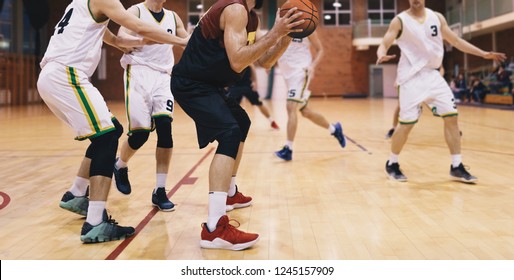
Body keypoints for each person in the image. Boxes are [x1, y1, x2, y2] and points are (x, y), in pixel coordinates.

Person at [37, 0, 187, 243]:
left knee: (112, 130)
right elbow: (136, 24)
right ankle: (95, 222)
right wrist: (181, 41)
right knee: (108, 137)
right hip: (67, 75)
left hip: (59, 75)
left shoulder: (81, 4)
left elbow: (113, 39)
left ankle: (76, 193)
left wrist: (137, 42)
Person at [170, 0, 304, 250]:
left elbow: (263, 62)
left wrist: (284, 38)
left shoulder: (251, 17)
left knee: (240, 122)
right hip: (192, 84)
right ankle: (214, 229)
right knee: (229, 132)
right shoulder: (235, 9)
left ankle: (230, 192)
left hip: (209, 86)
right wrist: (276, 32)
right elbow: (237, 61)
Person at [377, 0, 505, 184]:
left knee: (452, 117)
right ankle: (392, 162)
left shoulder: (437, 17)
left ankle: (456, 166)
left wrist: (483, 54)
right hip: (411, 78)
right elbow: (385, 42)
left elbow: (456, 41)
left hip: (433, 75)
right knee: (406, 125)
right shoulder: (400, 21)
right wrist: (381, 53)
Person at [112, 0, 189, 212]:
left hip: (163, 76)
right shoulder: (135, 11)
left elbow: (186, 40)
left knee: (165, 129)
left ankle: (160, 190)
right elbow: (121, 37)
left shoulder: (174, 17)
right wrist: (139, 40)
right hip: (137, 72)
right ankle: (120, 165)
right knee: (140, 134)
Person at [274, 31, 346, 161]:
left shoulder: (308, 27)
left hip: (300, 72)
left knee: (290, 107)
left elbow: (320, 50)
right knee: (305, 112)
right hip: (287, 73)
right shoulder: (284, 24)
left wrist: (312, 66)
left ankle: (288, 149)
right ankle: (334, 129)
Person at [227, 64, 280, 130]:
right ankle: (228, 124)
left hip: (247, 85)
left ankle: (272, 121)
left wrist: (255, 81)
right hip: (235, 86)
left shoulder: (246, 58)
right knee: (229, 106)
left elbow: (252, 67)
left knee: (259, 103)